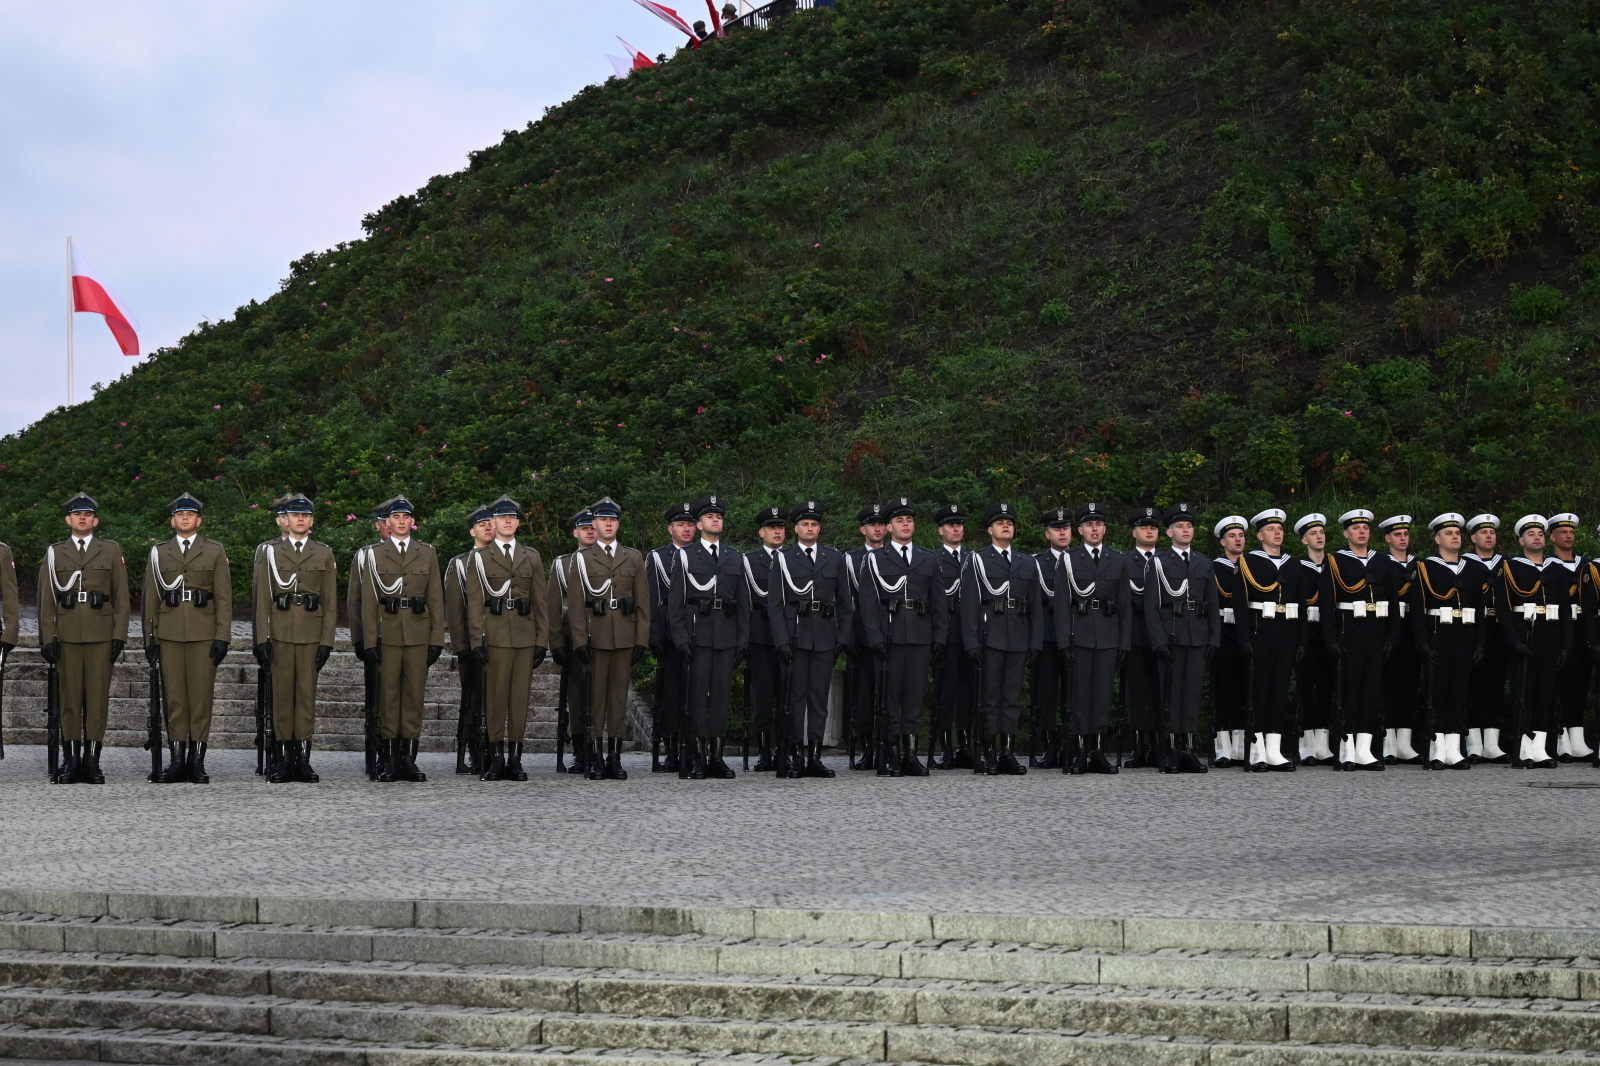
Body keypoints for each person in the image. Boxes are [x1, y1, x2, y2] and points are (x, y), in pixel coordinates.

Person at [139, 492, 232, 784]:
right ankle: (177, 760)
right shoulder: (159, 552)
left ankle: (197, 761)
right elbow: (150, 599)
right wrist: (149, 637)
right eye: (180, 515)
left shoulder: (214, 551)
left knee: (201, 699)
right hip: (169, 634)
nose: (185, 519)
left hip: (203, 633)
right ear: (172, 521)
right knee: (175, 699)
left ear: (198, 520)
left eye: (190, 515)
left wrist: (223, 636)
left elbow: (225, 598)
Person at [38, 492, 130, 784]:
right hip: (66, 634)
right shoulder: (55, 552)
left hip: (101, 634)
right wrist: (47, 637)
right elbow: (45, 599)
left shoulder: (110, 550)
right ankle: (71, 761)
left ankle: (92, 761)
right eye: (77, 514)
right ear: (68, 520)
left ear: (95, 520)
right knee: (69, 700)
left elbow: (122, 598)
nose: (82, 518)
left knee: (97, 700)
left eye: (87, 515)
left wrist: (120, 635)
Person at [353, 496, 445, 782]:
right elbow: (367, 602)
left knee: (414, 698)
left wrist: (437, 640)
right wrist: (369, 641)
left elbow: (435, 599)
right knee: (388, 699)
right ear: (387, 523)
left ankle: (408, 759)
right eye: (396, 517)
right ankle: (390, 758)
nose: (402, 521)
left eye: (406, 517)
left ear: (413, 522)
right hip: (389, 634)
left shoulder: (427, 553)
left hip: (418, 633)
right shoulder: (374, 555)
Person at [250, 493, 336, 784]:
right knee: (283, 698)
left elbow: (330, 601)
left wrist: (327, 641)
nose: (301, 519)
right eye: (295, 515)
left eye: (306, 515)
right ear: (285, 520)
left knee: (306, 699)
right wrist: (262, 638)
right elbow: (262, 599)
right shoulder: (270, 553)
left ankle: (303, 759)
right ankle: (284, 759)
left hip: (311, 634)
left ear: (311, 520)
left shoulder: (323, 553)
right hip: (282, 634)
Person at [858, 497, 947, 776]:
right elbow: (868, 604)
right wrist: (874, 638)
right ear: (888, 527)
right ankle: (890, 752)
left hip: (920, 636)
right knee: (888, 697)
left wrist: (939, 638)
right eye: (899, 520)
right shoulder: (874, 559)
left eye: (909, 520)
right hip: (889, 636)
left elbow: (938, 603)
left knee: (914, 697)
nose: (905, 524)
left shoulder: (928, 558)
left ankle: (911, 753)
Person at [463, 496, 548, 781]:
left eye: (512, 518)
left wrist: (541, 640)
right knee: (496, 698)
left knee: (520, 700)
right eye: (502, 518)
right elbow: (475, 603)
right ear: (494, 523)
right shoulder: (480, 558)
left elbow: (540, 602)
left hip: (524, 634)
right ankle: (496, 757)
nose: (508, 522)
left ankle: (515, 758)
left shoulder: (531, 556)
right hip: (496, 634)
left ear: (518, 523)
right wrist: (477, 640)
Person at [768, 500, 852, 778]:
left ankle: (815, 756)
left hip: (825, 637)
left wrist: (842, 635)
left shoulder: (834, 558)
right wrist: (781, 641)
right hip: (795, 636)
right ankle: (796, 756)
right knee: (795, 699)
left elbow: (844, 602)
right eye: (805, 524)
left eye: (814, 524)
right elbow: (776, 605)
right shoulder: (784, 558)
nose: (810, 528)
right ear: (796, 528)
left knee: (819, 699)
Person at [568, 496, 648, 779]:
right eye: (603, 520)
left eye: (613, 520)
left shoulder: (634, 557)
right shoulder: (581, 559)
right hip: (596, 636)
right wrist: (579, 641)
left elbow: (642, 603)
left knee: (617, 699)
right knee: (596, 700)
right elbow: (576, 606)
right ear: (595, 524)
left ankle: (615, 756)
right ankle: (595, 756)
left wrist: (641, 639)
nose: (608, 524)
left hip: (624, 636)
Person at [668, 494, 748, 779]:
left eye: (720, 516)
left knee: (720, 701)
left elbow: (742, 604)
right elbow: (675, 604)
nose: (716, 520)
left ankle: (717, 756)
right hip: (697, 636)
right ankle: (697, 755)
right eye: (710, 517)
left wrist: (742, 640)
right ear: (699, 523)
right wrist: (680, 638)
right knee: (697, 699)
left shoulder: (734, 557)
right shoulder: (686, 556)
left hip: (725, 637)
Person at [961, 503, 1042, 774]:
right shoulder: (978, 560)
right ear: (989, 529)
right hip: (990, 636)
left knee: (1012, 697)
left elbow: (1035, 606)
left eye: (1009, 522)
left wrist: (1035, 642)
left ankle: (1008, 750)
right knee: (989, 697)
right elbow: (969, 605)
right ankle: (988, 751)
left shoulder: (1027, 562)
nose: (1006, 525)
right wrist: (971, 642)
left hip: (1018, 635)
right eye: (999, 522)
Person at [1319, 508, 1401, 769]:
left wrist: (1392, 636)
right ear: (1346, 533)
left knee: (1370, 692)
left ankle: (1365, 748)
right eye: (1356, 528)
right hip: (1349, 631)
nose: (1362, 532)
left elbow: (1394, 601)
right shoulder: (1334, 561)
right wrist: (1331, 639)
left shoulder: (1382, 561)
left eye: (1365, 528)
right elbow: (1326, 604)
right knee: (1348, 691)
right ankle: (1346, 747)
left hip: (1376, 631)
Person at [1056, 501, 1131, 774]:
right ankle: (1080, 750)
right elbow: (1062, 604)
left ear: (1105, 528)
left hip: (1109, 636)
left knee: (1101, 695)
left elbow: (1124, 605)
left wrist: (1124, 642)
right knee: (1080, 696)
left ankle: (1098, 750)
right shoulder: (1069, 558)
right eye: (1089, 525)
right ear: (1080, 530)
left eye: (1098, 524)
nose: (1095, 529)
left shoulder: (1118, 559)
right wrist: (1064, 640)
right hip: (1081, 634)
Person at [1409, 513, 1484, 769]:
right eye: (1449, 533)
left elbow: (1481, 609)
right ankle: (1437, 748)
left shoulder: (1472, 568)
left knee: (1458, 694)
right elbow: (1417, 611)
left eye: (1457, 533)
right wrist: (1423, 643)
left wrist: (1480, 643)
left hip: (1464, 636)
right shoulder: (1425, 568)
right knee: (1437, 695)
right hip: (1438, 636)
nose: (1455, 537)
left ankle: (1454, 749)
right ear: (1437, 538)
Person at [1144, 502, 1216, 773]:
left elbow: (1212, 605)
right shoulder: (1159, 563)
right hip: (1171, 638)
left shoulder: (1203, 562)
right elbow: (1151, 607)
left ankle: (1188, 749)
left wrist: (1213, 640)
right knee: (1170, 697)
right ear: (1169, 532)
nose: (1186, 530)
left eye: (1189, 526)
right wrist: (1159, 641)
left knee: (1191, 696)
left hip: (1197, 637)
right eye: (1180, 527)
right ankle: (1170, 749)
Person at [1235, 508, 1306, 771]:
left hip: (1286, 632)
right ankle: (1257, 749)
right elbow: (1240, 603)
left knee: (1279, 692)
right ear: (1259, 535)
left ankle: (1275, 749)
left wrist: (1301, 641)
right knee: (1259, 692)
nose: (1277, 533)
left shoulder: (1293, 563)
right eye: (1271, 529)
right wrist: (1244, 638)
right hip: (1260, 632)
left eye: (1279, 529)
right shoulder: (1248, 562)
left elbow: (1301, 604)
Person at [1497, 515, 1568, 768]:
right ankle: (1524, 747)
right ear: (1520, 540)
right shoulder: (1510, 568)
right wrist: (1514, 641)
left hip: (1550, 634)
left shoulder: (1555, 568)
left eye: (1540, 534)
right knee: (1523, 693)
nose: (1536, 538)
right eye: (1531, 534)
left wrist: (1566, 645)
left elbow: (1565, 610)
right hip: (1525, 633)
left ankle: (1540, 748)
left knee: (1546, 693)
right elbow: (1504, 609)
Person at [444, 505, 495, 774]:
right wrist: (462, 646)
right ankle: (476, 749)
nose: (488, 527)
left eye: (491, 522)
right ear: (472, 530)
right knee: (474, 700)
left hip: (500, 641)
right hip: (472, 645)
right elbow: (455, 609)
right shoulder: (461, 563)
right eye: (482, 524)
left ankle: (494, 748)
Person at [548, 509, 599, 773]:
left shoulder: (610, 560)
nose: (590, 531)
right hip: (574, 638)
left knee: (602, 693)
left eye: (594, 526)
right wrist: (556, 643)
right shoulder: (562, 563)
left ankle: (600, 747)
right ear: (575, 532)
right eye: (584, 527)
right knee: (578, 696)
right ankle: (581, 749)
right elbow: (553, 607)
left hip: (605, 634)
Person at [646, 501, 696, 773]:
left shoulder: (703, 555)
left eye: (690, 524)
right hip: (668, 633)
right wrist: (653, 636)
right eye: (681, 524)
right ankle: (673, 748)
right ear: (670, 529)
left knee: (696, 692)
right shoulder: (657, 558)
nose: (686, 529)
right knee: (672, 695)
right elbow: (652, 600)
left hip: (697, 630)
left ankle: (695, 745)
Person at [1373, 515, 1422, 764]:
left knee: (1409, 686)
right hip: (1390, 629)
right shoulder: (1382, 563)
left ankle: (1405, 742)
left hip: (1412, 630)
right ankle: (1388, 741)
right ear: (1387, 538)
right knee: (1389, 685)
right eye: (1397, 535)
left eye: (1405, 534)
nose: (1403, 539)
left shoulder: (1418, 565)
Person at [1547, 513, 1596, 761]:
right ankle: (1559, 739)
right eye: (1563, 532)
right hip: (1556, 628)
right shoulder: (1546, 565)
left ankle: (1577, 739)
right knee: (1556, 682)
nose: (1568, 536)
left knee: (1579, 682)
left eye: (1571, 532)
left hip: (1582, 628)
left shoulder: (1587, 565)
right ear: (1552, 537)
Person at [843, 503, 889, 769]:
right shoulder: (851, 559)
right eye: (872, 524)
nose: (878, 528)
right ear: (863, 529)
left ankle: (888, 743)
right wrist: (847, 637)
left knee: (889, 692)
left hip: (892, 630)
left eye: (881, 524)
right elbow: (847, 601)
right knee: (864, 694)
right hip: (861, 635)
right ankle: (867, 747)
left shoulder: (895, 556)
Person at [743, 507, 787, 772]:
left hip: (789, 635)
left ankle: (785, 746)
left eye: (781, 527)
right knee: (763, 696)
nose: (778, 531)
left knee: (787, 695)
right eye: (772, 528)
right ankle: (763, 749)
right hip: (760, 634)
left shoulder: (793, 559)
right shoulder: (748, 561)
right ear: (762, 532)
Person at [930, 504, 974, 768]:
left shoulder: (974, 559)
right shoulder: (933, 559)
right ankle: (945, 746)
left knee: (969, 693)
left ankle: (965, 745)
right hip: (946, 633)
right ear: (940, 530)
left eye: (959, 524)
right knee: (945, 694)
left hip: (969, 634)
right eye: (950, 525)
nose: (956, 528)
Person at [1464, 514, 1510, 762]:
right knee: (1473, 685)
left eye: (1492, 532)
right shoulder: (1465, 564)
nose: (1489, 536)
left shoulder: (1507, 564)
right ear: (1473, 537)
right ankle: (1473, 743)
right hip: (1473, 627)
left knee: (1495, 684)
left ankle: (1492, 743)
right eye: (1483, 533)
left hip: (1500, 628)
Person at [1293, 513, 1336, 765]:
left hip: (1328, 633)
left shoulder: (1334, 565)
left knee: (1328, 687)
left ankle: (1323, 745)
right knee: (1306, 688)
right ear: (1304, 540)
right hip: (1307, 632)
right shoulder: (1298, 568)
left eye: (1321, 532)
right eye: (1314, 534)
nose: (1319, 537)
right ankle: (1306, 744)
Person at [1122, 506, 1163, 767]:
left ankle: (1159, 744)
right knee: (1136, 693)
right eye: (1144, 527)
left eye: (1154, 527)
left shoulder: (1167, 561)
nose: (1149, 531)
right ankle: (1138, 745)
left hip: (1164, 637)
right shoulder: (1124, 562)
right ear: (1134, 532)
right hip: (1136, 635)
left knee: (1161, 691)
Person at [1031, 508, 1071, 768]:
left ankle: (1070, 745)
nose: (1062, 532)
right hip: (1046, 638)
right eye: (1057, 529)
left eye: (1066, 528)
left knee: (1073, 696)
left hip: (1074, 638)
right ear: (1047, 534)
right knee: (1045, 697)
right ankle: (1048, 747)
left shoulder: (1080, 560)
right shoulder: (1036, 562)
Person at [1209, 515, 1248, 766]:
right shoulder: (1213, 567)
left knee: (1244, 689)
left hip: (1245, 632)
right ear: (1223, 541)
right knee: (1222, 689)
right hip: (1222, 631)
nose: (1238, 540)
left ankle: (1241, 746)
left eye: (1241, 535)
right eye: (1232, 536)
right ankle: (1222, 748)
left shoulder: (1252, 566)